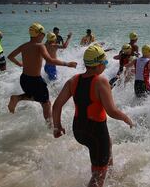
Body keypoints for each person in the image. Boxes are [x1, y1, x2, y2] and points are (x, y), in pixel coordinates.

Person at [52, 45, 134, 187]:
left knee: (107, 145)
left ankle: (111, 174)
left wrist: (57, 126)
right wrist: (126, 118)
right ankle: (101, 174)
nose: (105, 65)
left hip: (78, 129)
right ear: (98, 65)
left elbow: (56, 106)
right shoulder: (101, 81)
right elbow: (111, 111)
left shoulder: (73, 80)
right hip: (95, 131)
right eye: (105, 63)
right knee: (98, 176)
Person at [7, 23, 77, 124]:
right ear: (39, 34)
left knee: (36, 97)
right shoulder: (40, 46)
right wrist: (67, 64)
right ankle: (50, 127)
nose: (44, 36)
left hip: (24, 79)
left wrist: (19, 64)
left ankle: (18, 98)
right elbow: (50, 60)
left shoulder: (24, 45)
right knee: (46, 103)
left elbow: (10, 56)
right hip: (35, 80)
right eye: (43, 34)